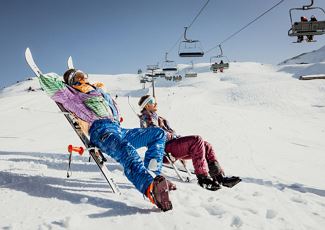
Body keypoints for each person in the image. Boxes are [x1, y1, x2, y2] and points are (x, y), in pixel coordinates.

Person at [37, 69, 174, 211]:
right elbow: (51, 84)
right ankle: (150, 189)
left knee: (158, 133)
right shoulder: (71, 94)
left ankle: (155, 177)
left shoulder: (96, 91)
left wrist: (100, 90)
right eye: (78, 77)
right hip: (101, 131)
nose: (83, 78)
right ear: (73, 82)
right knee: (127, 152)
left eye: (84, 75)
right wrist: (52, 78)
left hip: (118, 130)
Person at [138, 95, 241, 191]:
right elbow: (155, 135)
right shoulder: (146, 118)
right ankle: (203, 178)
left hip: (173, 145)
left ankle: (219, 177)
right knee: (196, 139)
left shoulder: (159, 118)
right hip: (165, 149)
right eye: (152, 101)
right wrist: (172, 136)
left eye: (155, 101)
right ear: (147, 105)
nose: (155, 103)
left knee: (206, 146)